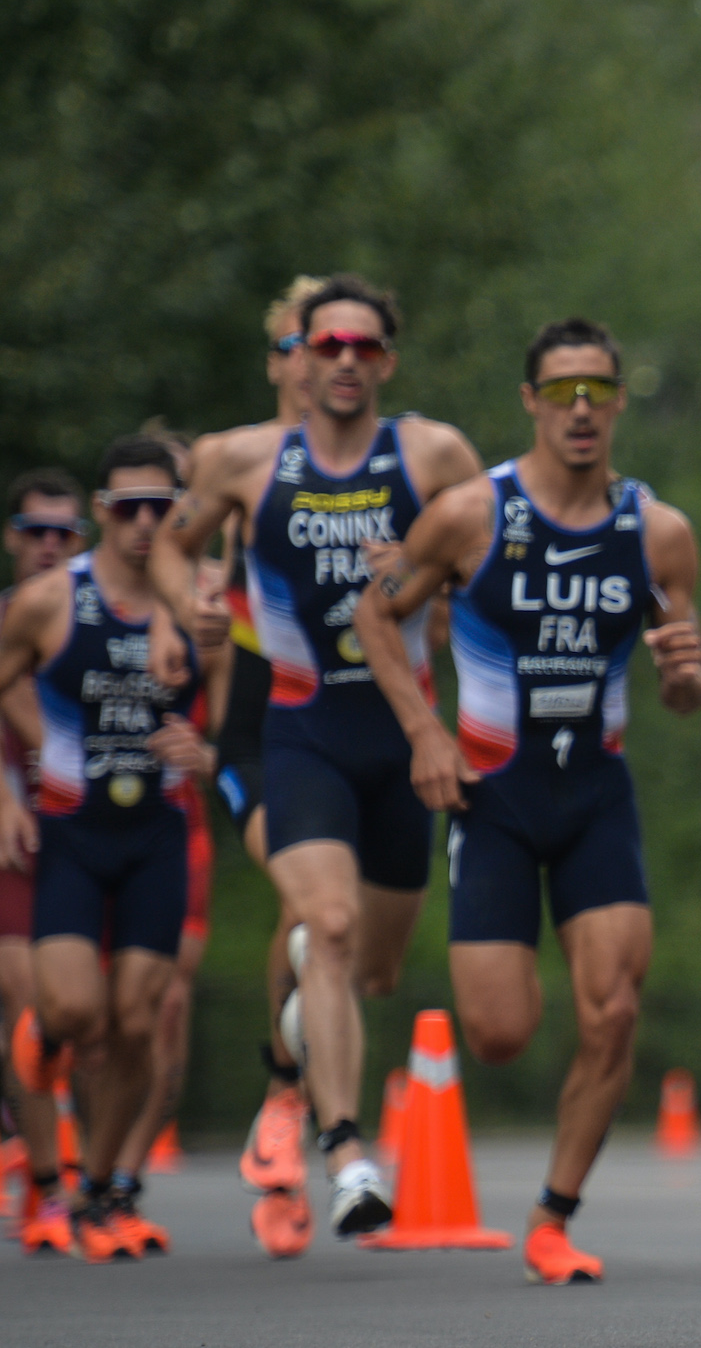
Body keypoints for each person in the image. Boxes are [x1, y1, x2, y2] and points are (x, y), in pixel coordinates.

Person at [354, 317, 701, 1283]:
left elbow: (686, 682)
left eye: (598, 389)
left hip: (595, 793)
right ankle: (514, 959)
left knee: (615, 1011)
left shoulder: (658, 532)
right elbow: (372, 615)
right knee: (501, 1035)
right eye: (562, 392)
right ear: (532, 403)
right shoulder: (472, 514)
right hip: (492, 797)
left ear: (620, 400)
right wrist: (425, 732)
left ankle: (553, 1217)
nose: (581, 409)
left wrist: (684, 678)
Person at [149, 274, 482, 1237]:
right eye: (326, 344)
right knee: (328, 925)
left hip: (399, 731)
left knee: (373, 966)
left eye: (364, 347)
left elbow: (488, 551)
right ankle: (346, 1153)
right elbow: (173, 548)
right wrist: (190, 601)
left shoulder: (433, 453)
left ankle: (300, 1038)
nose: (344, 361)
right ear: (296, 354)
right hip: (293, 727)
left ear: (388, 361)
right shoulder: (241, 460)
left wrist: (431, 584)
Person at [0, 436, 214, 1262]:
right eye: (128, 509)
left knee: (139, 1021)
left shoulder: (200, 608)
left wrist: (208, 752)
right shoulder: (54, 601)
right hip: (74, 833)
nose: (145, 524)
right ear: (101, 514)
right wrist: (20, 769)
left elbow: (235, 720)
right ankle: (40, 1104)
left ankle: (94, 1189)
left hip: (157, 834)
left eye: (162, 509)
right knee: (70, 1010)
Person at [216, 274, 327, 1258]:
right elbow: (186, 578)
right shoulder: (246, 467)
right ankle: (287, 1098)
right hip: (255, 725)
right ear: (277, 359)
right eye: (300, 342)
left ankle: (287, 1108)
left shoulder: (386, 461)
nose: (317, 359)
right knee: (304, 900)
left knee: (348, 945)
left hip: (351, 730)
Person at [0, 468, 89, 1254]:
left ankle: (97, 1181)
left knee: (97, 1015)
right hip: (16, 845)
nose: (49, 546)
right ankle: (49, 1187)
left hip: (94, 836)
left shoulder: (108, 619)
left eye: (65, 533)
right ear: (13, 538)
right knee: (34, 1006)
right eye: (36, 531)